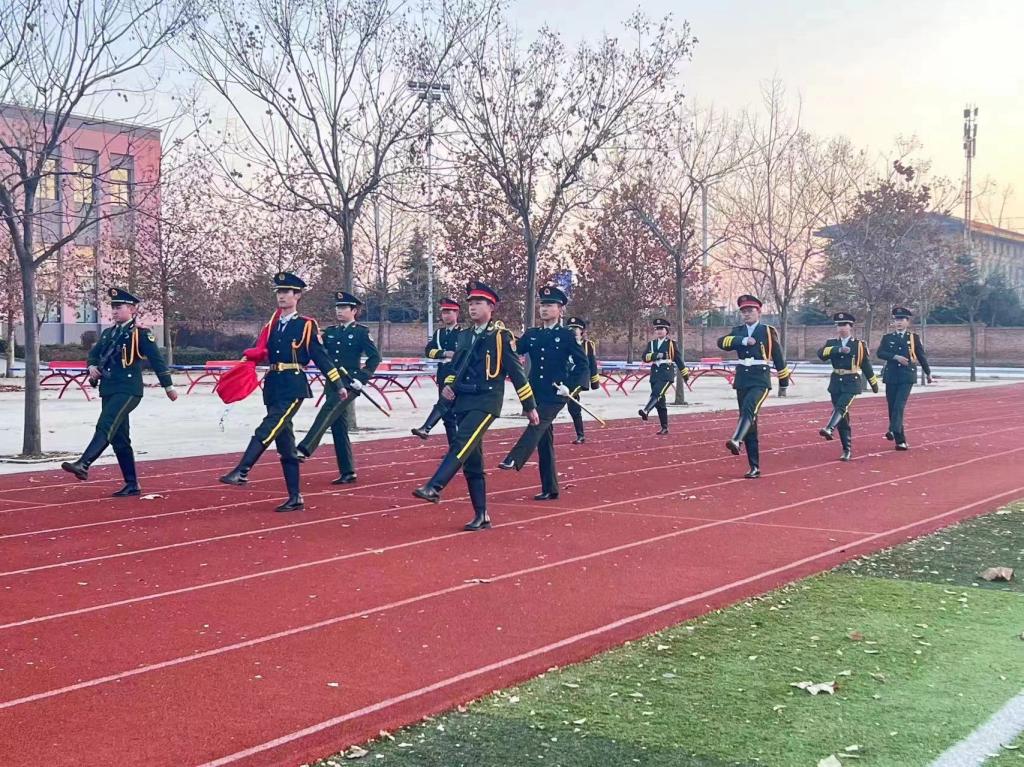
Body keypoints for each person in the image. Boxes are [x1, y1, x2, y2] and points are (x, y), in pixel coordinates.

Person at [412, 281, 539, 531]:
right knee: (472, 460)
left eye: (478, 303)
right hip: (464, 399)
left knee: (461, 442)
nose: (472, 307)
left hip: (487, 400)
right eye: (470, 303)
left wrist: (529, 405)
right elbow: (457, 366)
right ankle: (482, 515)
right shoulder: (465, 335)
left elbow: (517, 373)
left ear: (491, 307)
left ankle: (434, 486)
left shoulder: (501, 337)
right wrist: (449, 385)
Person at [219, 272, 347, 511]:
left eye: (286, 292)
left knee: (269, 426)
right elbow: (261, 352)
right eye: (279, 292)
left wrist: (337, 383)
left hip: (293, 385)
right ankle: (295, 497)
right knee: (286, 445)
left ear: (297, 295)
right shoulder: (272, 326)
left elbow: (320, 356)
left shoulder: (306, 325)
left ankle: (242, 470)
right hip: (274, 384)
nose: (281, 296)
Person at [61, 288, 178, 496]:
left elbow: (157, 360)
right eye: (113, 307)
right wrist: (92, 366)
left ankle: (84, 463)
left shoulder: (140, 333)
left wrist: (168, 386)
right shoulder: (109, 334)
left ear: (132, 309)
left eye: (119, 307)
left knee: (106, 423)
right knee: (119, 438)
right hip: (109, 388)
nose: (114, 311)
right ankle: (132, 484)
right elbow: (94, 354)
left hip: (128, 388)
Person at [497, 284, 588, 501]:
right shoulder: (533, 334)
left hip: (556, 393)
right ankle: (550, 488)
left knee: (536, 423)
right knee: (544, 441)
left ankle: (515, 457)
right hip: (535, 391)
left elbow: (583, 364)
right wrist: (502, 336)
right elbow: (515, 349)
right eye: (542, 305)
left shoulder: (566, 335)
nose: (544, 309)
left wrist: (570, 387)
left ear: (560, 310)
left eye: (550, 305)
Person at [295, 291, 381, 483]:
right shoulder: (330, 332)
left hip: (350, 382)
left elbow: (375, 358)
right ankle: (348, 471)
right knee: (338, 427)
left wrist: (362, 378)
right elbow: (319, 352)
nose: (339, 311)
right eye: (337, 307)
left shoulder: (361, 332)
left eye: (343, 307)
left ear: (354, 311)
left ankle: (304, 448)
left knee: (328, 410)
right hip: (333, 381)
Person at [717, 294, 791, 478]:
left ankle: (736, 439)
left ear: (759, 312)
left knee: (749, 410)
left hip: (760, 379)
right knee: (750, 422)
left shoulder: (767, 331)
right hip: (743, 378)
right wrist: (742, 340)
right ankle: (754, 467)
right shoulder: (738, 331)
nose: (746, 314)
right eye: (743, 311)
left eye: (750, 310)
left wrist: (783, 382)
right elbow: (722, 343)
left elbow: (778, 356)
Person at [816, 312, 880, 461]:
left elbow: (865, 365)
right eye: (839, 325)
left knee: (841, 407)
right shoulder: (831, 343)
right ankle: (847, 449)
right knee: (843, 418)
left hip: (851, 381)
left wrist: (873, 383)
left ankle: (829, 428)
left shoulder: (859, 345)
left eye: (844, 325)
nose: (841, 328)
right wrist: (837, 349)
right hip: (836, 382)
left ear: (851, 327)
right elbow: (821, 355)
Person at [877, 306, 932, 450]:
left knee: (899, 405)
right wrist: (895, 357)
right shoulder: (888, 338)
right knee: (892, 406)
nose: (899, 322)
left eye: (902, 319)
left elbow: (921, 355)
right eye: (897, 320)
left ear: (907, 322)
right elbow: (880, 353)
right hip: (891, 375)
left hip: (907, 375)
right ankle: (900, 441)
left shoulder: (913, 338)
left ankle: (892, 429)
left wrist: (928, 372)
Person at [412, 297, 463, 443]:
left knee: (448, 405)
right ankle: (453, 448)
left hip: (457, 372)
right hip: (443, 372)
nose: (445, 315)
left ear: (456, 313)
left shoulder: (462, 333)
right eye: (444, 312)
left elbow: (462, 353)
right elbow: (428, 351)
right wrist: (444, 353)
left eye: (449, 312)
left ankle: (426, 428)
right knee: (447, 415)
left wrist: (454, 355)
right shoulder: (439, 333)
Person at [638, 318, 691, 435]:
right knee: (660, 402)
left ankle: (646, 410)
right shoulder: (651, 344)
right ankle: (664, 427)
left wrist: (685, 374)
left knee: (657, 393)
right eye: (657, 329)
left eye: (661, 329)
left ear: (666, 331)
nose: (659, 331)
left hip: (666, 373)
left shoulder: (671, 344)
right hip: (655, 373)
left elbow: (678, 359)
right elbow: (644, 357)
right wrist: (656, 355)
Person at [565, 316, 600, 444]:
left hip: (580, 378)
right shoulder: (563, 344)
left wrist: (594, 382)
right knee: (573, 407)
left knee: (570, 399)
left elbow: (592, 363)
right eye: (571, 328)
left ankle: (580, 435)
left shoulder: (587, 345)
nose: (573, 331)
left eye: (576, 328)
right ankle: (581, 435)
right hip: (567, 377)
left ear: (581, 331)